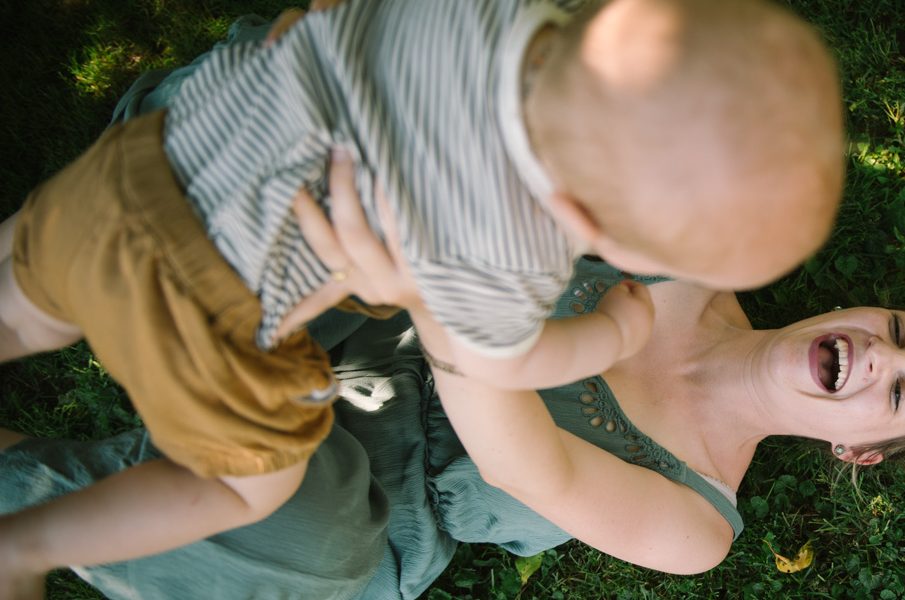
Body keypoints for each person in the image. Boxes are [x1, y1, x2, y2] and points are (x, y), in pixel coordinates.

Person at [0, 0, 846, 592]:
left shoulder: (474, 16)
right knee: (245, 486)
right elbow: (503, 354)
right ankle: (27, 544)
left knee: (20, 301)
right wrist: (615, 333)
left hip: (143, 175)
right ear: (589, 218)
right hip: (211, 321)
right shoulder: (501, 238)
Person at [0, 256, 905, 599]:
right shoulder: (698, 264)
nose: (880, 358)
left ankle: (29, 500)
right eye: (901, 335)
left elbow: (515, 456)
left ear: (861, 450)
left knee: (315, 546)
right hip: (360, 319)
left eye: (901, 393)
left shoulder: (698, 524)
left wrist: (442, 281)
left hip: (365, 503)